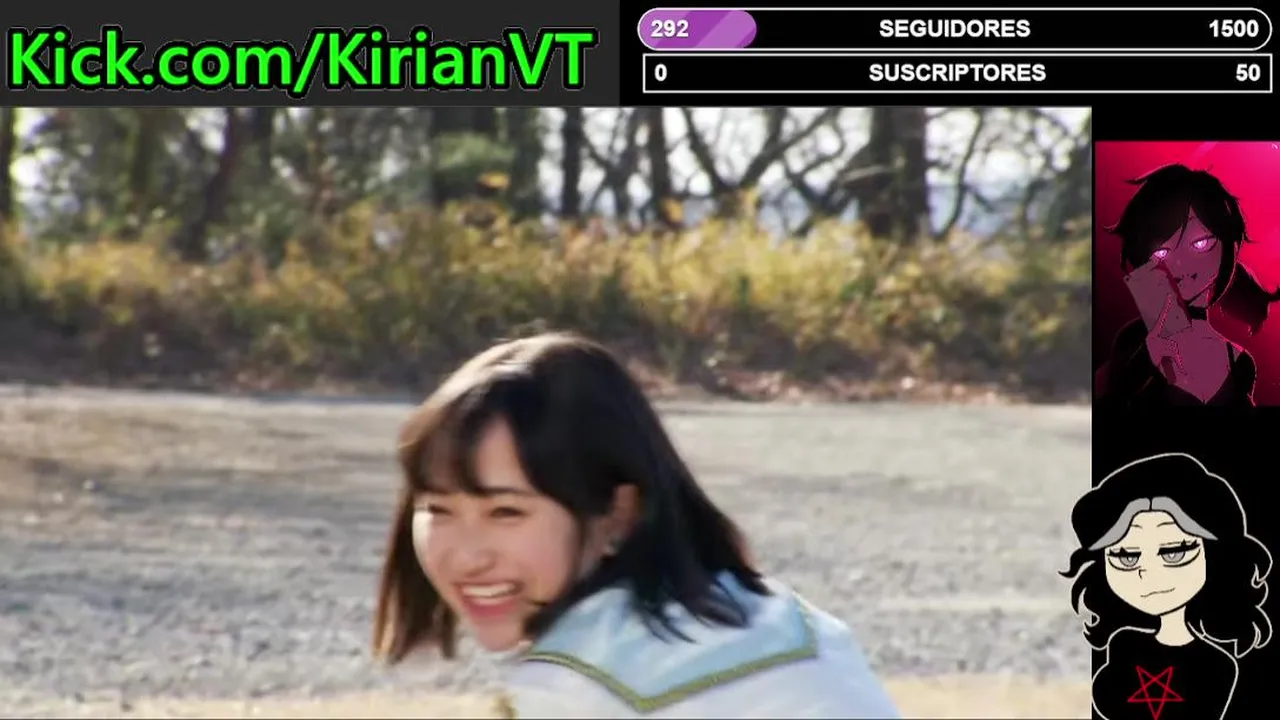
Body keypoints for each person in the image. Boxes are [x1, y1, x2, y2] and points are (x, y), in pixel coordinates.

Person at [371, 332, 899, 718]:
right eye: (437, 510)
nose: (466, 556)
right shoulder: (777, 616)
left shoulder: (577, 685)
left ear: (618, 514)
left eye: (506, 512)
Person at [1061, 453, 1272, 720]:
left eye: (1175, 552)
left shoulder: (1217, 665)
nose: (1148, 573)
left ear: (1217, 556)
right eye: (1126, 557)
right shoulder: (1123, 645)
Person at [1095, 164, 1280, 407]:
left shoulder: (1239, 362)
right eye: (1162, 253)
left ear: (1227, 243)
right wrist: (1144, 364)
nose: (1180, 263)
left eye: (1200, 244)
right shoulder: (1136, 338)